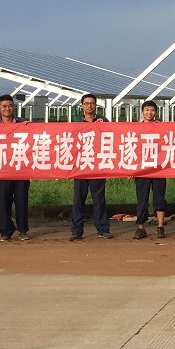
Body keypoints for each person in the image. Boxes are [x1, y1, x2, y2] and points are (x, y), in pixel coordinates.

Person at [69, 93, 113, 241]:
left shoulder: (103, 121)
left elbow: (112, 137)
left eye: (92, 103)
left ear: (95, 105)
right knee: (78, 199)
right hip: (81, 167)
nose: (89, 106)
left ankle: (103, 229)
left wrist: (103, 127)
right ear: (82, 106)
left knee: (99, 199)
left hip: (97, 166)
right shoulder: (77, 124)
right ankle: (76, 231)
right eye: (86, 103)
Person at [0, 94, 31, 242]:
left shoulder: (24, 123)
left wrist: (31, 128)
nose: (7, 109)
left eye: (10, 106)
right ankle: (6, 231)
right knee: (4, 201)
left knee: (21, 200)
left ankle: (22, 230)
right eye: (4, 106)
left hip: (21, 169)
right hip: (2, 170)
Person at [134, 100, 168, 239]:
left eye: (152, 110)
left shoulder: (161, 127)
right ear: (142, 112)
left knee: (159, 198)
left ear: (156, 112)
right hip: (141, 169)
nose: (149, 113)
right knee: (142, 198)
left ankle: (160, 227)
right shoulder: (136, 129)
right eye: (147, 110)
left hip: (158, 168)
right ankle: (141, 228)